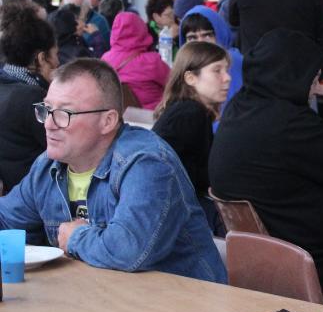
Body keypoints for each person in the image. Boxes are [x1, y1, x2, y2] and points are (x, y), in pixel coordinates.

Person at [0, 58, 226, 282]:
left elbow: (127, 250)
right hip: (105, 304)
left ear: (107, 121)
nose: (48, 124)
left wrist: (76, 237)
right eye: (47, 110)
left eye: (64, 114)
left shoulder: (146, 163)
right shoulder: (48, 167)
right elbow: (6, 221)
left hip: (187, 308)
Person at [209, 28, 323, 293]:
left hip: (263, 259)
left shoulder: (240, 107)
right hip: (322, 264)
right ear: (293, 73)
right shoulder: (288, 122)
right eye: (313, 77)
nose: (315, 87)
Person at [153, 42, 230, 233]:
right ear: (190, 78)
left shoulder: (184, 109)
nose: (227, 78)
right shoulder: (190, 113)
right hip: (173, 217)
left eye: (227, 70)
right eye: (217, 71)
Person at [0, 4, 59, 192]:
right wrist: (55, 88)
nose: (58, 62)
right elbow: (67, 146)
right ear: (42, 58)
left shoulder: (6, 85)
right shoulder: (34, 98)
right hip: (35, 197)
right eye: (56, 54)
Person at [178, 5, 244, 109]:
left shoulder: (231, 60)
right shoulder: (186, 64)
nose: (200, 43)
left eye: (207, 36)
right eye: (192, 38)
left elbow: (226, 115)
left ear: (220, 34)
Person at [101, 12, 171, 110]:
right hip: (151, 119)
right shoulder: (152, 61)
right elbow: (175, 83)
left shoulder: (105, 59)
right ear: (141, 29)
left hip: (118, 120)